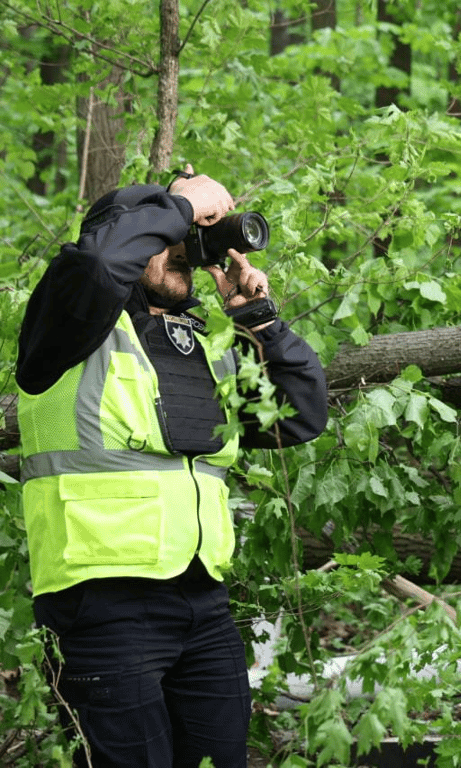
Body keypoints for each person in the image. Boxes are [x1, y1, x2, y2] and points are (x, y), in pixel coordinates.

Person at [16, 168, 328, 767]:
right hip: (101, 603)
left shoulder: (201, 344)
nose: (183, 247)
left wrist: (258, 319)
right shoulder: (70, 320)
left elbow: (298, 417)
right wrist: (181, 205)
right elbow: (102, 267)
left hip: (201, 601)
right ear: (130, 235)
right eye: (166, 238)